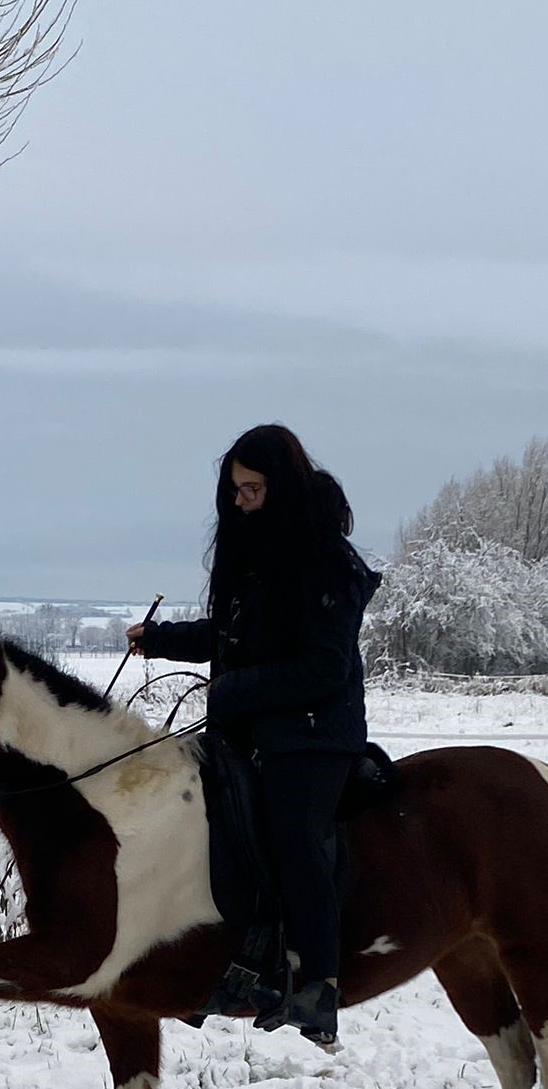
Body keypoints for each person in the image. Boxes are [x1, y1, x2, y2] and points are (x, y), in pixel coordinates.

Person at [128, 424, 381, 1046]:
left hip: (315, 735)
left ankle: (319, 984)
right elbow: (235, 634)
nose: (240, 502)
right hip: (253, 728)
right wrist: (160, 641)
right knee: (210, 828)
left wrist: (235, 691)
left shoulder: (328, 563)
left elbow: (324, 667)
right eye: (235, 490)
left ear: (285, 487)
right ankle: (241, 965)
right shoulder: (260, 555)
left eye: (252, 489)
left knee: (292, 835)